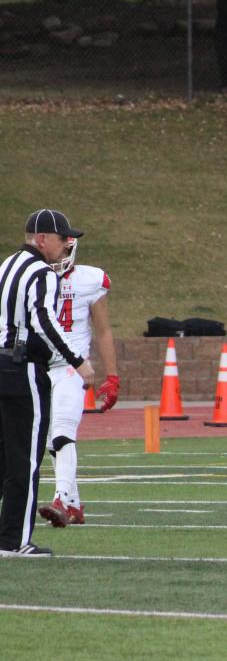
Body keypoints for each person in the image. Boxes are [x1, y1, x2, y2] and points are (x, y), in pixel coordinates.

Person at [0, 210, 95, 557]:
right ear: (42, 238)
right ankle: (14, 540)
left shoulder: (6, 266)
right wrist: (78, 361)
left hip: (2, 360)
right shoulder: (40, 272)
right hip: (22, 366)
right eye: (61, 237)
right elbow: (44, 321)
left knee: (3, 456)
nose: (66, 244)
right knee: (25, 458)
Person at [38, 234, 119, 528]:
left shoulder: (90, 280)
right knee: (49, 439)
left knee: (62, 430)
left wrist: (112, 376)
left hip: (73, 366)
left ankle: (60, 499)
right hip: (39, 366)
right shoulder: (33, 275)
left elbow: (103, 331)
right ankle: (73, 505)